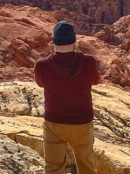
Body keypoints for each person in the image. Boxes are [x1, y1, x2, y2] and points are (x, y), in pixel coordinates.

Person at [34, 21, 100, 174]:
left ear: (53, 41)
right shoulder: (89, 62)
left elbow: (40, 83)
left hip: (54, 123)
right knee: (87, 168)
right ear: (74, 40)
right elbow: (95, 81)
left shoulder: (42, 65)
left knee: (53, 168)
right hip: (82, 123)